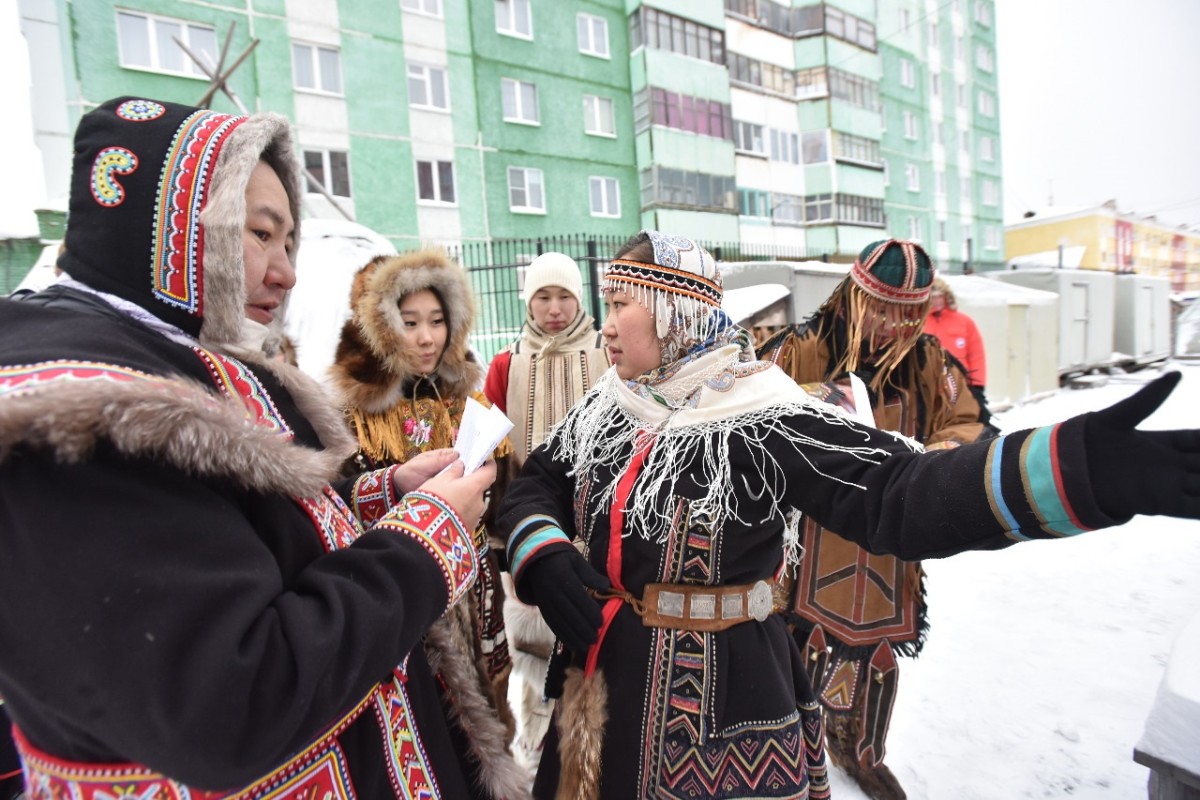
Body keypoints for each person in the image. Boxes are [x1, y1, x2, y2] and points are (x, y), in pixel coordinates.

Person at [496, 229, 1200, 800]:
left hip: (723, 710)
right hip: (602, 691)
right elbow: (539, 485)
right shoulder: (608, 405)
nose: (605, 323)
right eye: (606, 301)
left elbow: (901, 492)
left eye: (621, 304)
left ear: (676, 311)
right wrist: (543, 549)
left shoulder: (758, 415)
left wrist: (1078, 472)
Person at [0, 96, 516, 799]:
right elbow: (232, 697)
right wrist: (428, 532)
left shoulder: (181, 360)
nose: (288, 271)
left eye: (289, 241)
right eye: (260, 235)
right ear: (173, 232)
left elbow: (255, 535)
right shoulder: (83, 413)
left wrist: (383, 497)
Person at [755, 240, 991, 798]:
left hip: (887, 548)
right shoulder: (803, 346)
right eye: (879, 306)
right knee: (798, 644)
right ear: (854, 294)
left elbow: (968, 417)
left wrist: (941, 454)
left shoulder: (930, 360)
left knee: (877, 651)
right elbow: (753, 405)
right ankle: (791, 748)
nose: (889, 324)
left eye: (905, 312)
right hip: (812, 539)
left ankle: (861, 750)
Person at [329, 248, 526, 796]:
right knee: (422, 718)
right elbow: (337, 508)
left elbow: (509, 491)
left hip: (472, 590)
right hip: (399, 588)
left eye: (437, 322)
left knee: (486, 714)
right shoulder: (350, 415)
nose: (426, 338)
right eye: (409, 323)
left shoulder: (468, 399)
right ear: (380, 327)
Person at [482, 251, 610, 771]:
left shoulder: (608, 354)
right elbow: (485, 448)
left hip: (596, 531)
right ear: (528, 301)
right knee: (532, 653)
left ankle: (587, 757)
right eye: (542, 296)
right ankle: (535, 756)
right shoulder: (506, 364)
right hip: (526, 533)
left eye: (564, 297)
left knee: (589, 649)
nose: (554, 309)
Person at [923, 276, 987, 390]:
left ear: (946, 297)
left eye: (940, 296)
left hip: (960, 383)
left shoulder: (965, 322)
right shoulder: (919, 323)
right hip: (927, 384)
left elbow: (976, 355)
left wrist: (978, 384)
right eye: (933, 297)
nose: (937, 301)